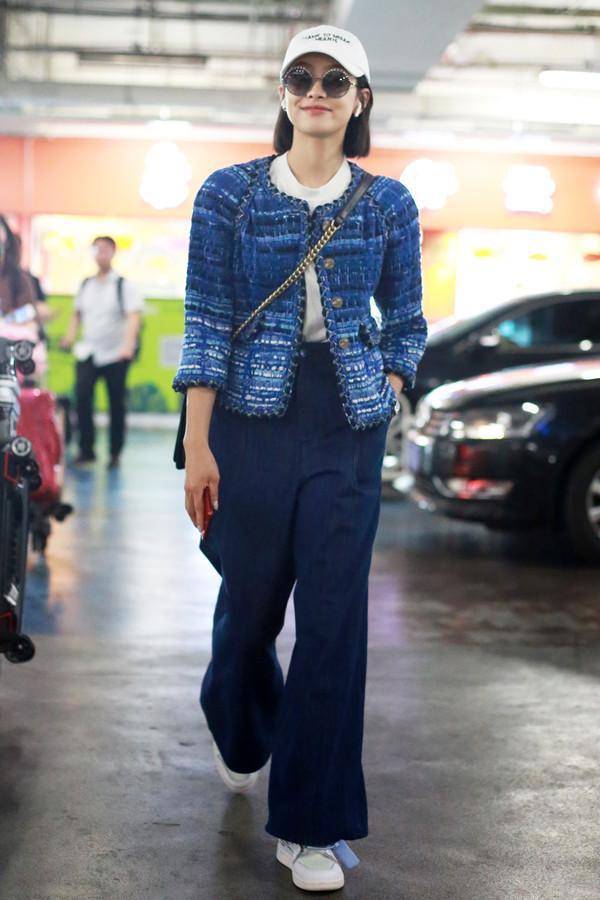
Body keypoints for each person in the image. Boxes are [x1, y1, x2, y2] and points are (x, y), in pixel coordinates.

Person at [172, 24, 428, 893]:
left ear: (360, 98)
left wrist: (388, 381)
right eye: (301, 77)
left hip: (346, 424)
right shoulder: (230, 193)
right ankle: (242, 726)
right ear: (283, 93)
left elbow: (409, 319)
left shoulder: (389, 204)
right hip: (246, 420)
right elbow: (206, 317)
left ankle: (313, 826)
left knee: (333, 623)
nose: (316, 91)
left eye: (334, 79)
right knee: (247, 612)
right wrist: (198, 443)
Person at [60, 236, 143, 469]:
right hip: (88, 351)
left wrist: (128, 346)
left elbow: (133, 317)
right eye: (96, 250)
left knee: (116, 403)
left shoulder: (123, 285)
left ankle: (115, 452)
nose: (100, 254)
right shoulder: (86, 284)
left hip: (116, 354)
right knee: (82, 397)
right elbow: (77, 314)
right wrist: (69, 337)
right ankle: (87, 449)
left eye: (104, 250)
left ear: (113, 252)